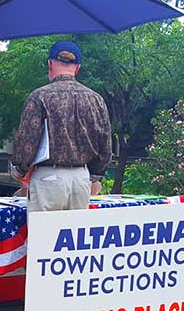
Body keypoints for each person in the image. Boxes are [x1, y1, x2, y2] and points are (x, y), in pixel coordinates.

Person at [11, 40, 111, 211]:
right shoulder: (96, 99)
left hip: (48, 177)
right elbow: (105, 143)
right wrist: (95, 175)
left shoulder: (39, 96)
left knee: (43, 236)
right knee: (75, 236)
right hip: (81, 178)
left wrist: (19, 169)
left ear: (50, 64)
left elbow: (28, 139)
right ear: (77, 68)